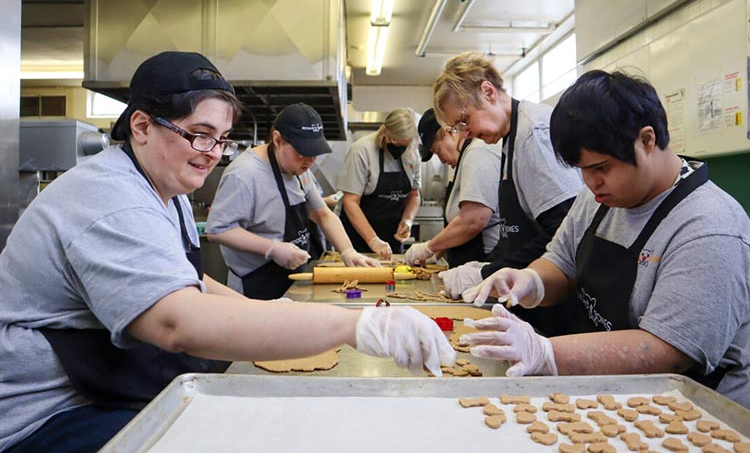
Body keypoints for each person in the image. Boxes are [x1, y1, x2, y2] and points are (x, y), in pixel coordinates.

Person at [0, 51, 455, 453]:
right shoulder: (110, 198)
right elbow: (177, 321)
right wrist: (359, 324)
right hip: (48, 415)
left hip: (103, 384)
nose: (213, 154)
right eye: (200, 134)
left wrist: (266, 312)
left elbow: (186, 279)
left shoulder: (166, 187)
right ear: (141, 125)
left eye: (221, 139)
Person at [460, 70, 750, 407]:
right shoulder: (599, 198)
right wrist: (531, 281)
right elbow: (561, 262)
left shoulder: (708, 226)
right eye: (582, 170)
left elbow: (669, 351)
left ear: (646, 140)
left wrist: (546, 353)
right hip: (611, 393)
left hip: (693, 411)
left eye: (601, 167)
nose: (591, 182)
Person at [429, 52, 583, 334]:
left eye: (464, 121)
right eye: (457, 128)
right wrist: (489, 264)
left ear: (487, 92)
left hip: (555, 303)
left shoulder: (534, 134)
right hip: (530, 299)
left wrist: (486, 273)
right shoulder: (508, 138)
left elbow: (564, 233)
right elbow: (519, 230)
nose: (465, 134)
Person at [206, 103, 380, 300]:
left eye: (314, 154)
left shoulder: (299, 169)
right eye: (302, 153)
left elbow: (322, 214)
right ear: (277, 139)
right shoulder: (245, 175)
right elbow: (218, 230)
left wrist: (348, 251)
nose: (310, 161)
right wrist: (272, 248)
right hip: (256, 284)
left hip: (291, 278)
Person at [404, 108, 501, 268]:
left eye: (437, 150)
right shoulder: (465, 158)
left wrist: (430, 247)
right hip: (468, 263)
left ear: (448, 132)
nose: (441, 160)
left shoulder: (477, 153)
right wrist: (439, 251)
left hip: (484, 263)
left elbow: (473, 221)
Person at [338, 108, 422, 260]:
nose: (398, 147)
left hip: (392, 240)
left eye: (404, 144)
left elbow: (414, 195)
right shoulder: (361, 151)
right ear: (384, 131)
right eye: (394, 141)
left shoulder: (412, 153)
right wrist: (373, 240)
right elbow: (350, 202)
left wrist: (407, 220)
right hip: (358, 241)